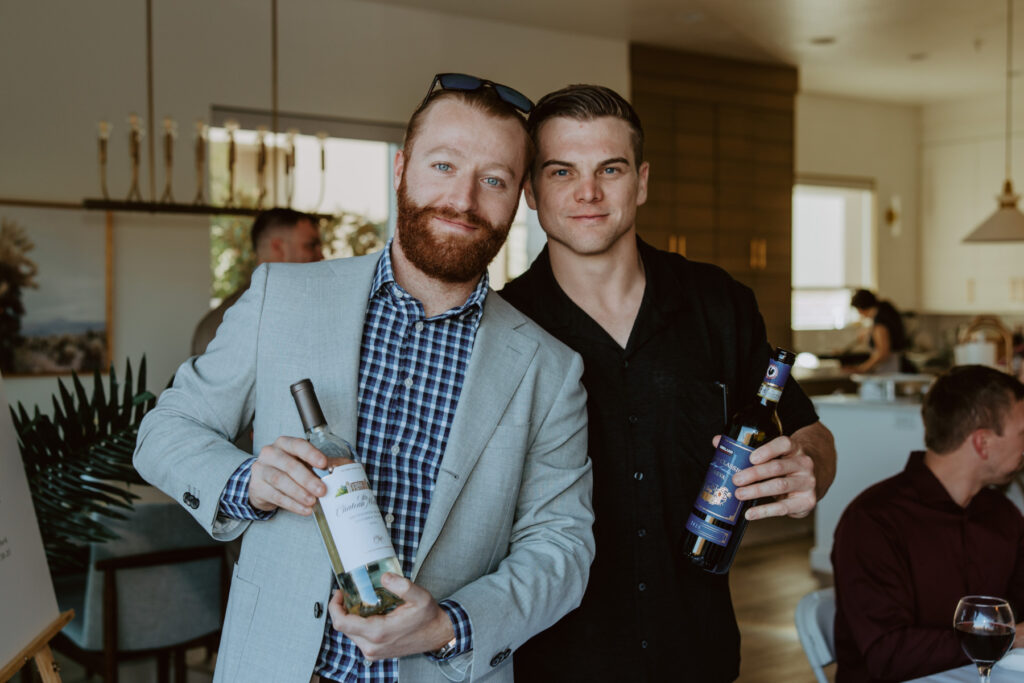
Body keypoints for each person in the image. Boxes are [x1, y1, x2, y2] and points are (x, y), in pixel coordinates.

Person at [134, 74, 595, 683]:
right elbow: (166, 429)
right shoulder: (282, 295)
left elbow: (562, 547)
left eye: (494, 179)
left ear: (518, 199)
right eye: (443, 165)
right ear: (401, 168)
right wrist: (247, 480)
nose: (463, 199)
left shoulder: (550, 368)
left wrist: (450, 624)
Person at [500, 84, 837, 682]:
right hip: (550, 663)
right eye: (561, 171)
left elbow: (809, 432)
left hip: (699, 655)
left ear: (642, 181)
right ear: (531, 191)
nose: (588, 192)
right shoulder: (499, 330)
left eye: (611, 168)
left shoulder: (719, 303)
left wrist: (808, 465)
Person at [832, 364, 1024, 682]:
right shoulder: (873, 522)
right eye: (1022, 434)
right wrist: (1010, 637)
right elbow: (888, 653)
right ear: (983, 443)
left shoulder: (1002, 513)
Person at [191, 207, 324, 356]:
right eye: (311, 246)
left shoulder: (312, 309)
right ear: (278, 247)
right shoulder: (221, 324)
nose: (321, 256)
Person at [848, 288, 908, 374]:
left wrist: (863, 368)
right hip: (894, 366)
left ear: (861, 308)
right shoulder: (884, 311)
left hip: (890, 369)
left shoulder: (880, 323)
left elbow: (883, 353)